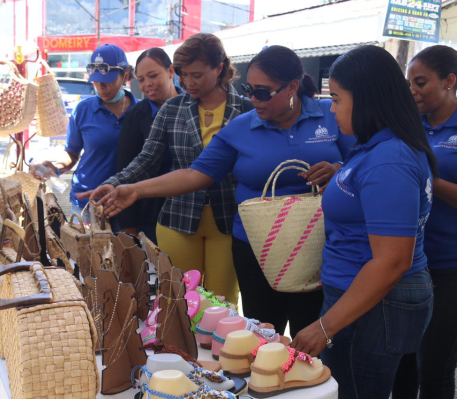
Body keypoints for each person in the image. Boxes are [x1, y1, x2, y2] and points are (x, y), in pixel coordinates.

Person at [84, 45, 354, 335]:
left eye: (263, 92)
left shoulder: (331, 114)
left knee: (311, 332)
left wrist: (340, 169)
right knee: (260, 333)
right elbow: (195, 174)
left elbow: (365, 160)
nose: (253, 99)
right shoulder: (242, 127)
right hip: (256, 247)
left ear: (292, 87)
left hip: (316, 245)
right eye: (249, 89)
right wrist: (135, 189)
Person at [290, 45, 437, 399]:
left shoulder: (390, 160)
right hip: (360, 296)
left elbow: (391, 261)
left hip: (373, 302)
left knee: (354, 391)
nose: (332, 111)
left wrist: (324, 327)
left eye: (337, 100)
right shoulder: (377, 147)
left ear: (367, 98)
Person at [81, 33, 252, 307]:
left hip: (229, 219)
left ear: (219, 68)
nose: (188, 82)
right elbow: (146, 159)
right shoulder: (172, 108)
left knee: (222, 305)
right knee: (178, 302)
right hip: (178, 217)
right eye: (184, 75)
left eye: (196, 75)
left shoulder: (246, 108)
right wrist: (114, 182)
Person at [393, 45, 457, 399]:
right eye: (409, 83)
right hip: (407, 262)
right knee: (401, 361)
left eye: (421, 82)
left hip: (449, 265)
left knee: (434, 368)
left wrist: (428, 173)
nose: (413, 90)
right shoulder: (408, 125)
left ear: (449, 80)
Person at [34, 44, 137, 223]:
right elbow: (72, 153)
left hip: (129, 203)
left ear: (125, 76)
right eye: (96, 81)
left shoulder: (141, 111)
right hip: (86, 203)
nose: (100, 87)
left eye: (107, 81)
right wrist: (54, 167)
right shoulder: (83, 110)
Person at [116, 48, 180, 243]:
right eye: (141, 79)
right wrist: (128, 226)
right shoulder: (136, 116)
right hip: (152, 215)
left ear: (171, 71)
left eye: (153, 76)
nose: (147, 85)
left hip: (194, 209)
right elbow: (125, 168)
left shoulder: (194, 106)